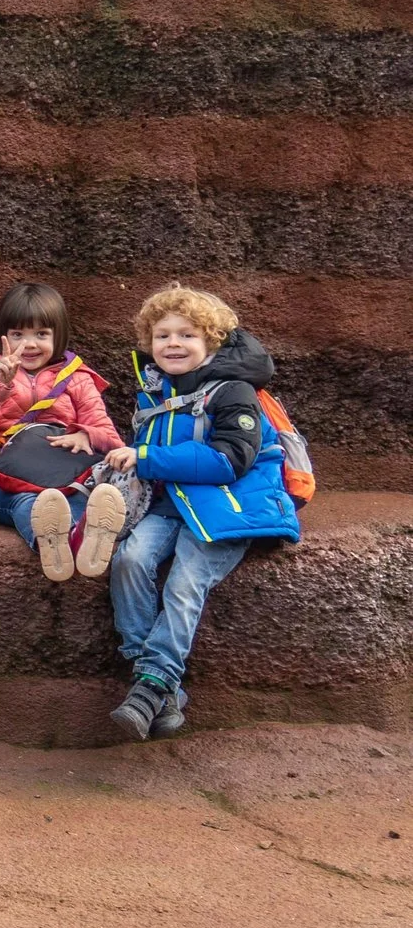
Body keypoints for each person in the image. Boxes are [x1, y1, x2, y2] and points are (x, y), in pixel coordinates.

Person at [101, 285, 300, 741]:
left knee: (185, 581)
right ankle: (156, 684)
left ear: (211, 341)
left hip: (227, 509)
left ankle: (150, 686)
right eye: (162, 334)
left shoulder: (234, 393)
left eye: (187, 335)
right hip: (174, 505)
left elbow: (229, 461)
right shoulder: (154, 392)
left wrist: (144, 457)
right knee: (129, 561)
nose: (173, 343)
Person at [0, 281, 126, 584]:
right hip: (3, 483)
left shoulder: (77, 378)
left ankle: (80, 543)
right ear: (3, 336)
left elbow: (111, 438)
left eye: (41, 334)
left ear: (58, 335)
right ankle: (51, 545)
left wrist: (86, 435)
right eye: (18, 334)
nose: (29, 344)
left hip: (65, 480)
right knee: (32, 506)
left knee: (77, 504)